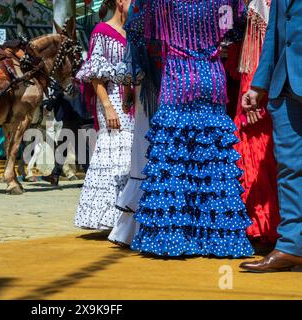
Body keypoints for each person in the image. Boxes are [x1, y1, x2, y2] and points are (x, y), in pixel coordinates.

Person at [124, 0, 254, 258]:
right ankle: (217, 238)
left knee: (175, 156)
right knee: (211, 160)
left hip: (178, 77)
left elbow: (136, 28)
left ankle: (172, 238)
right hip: (211, 76)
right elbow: (234, 30)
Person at [241, 0, 302, 272]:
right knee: (289, 169)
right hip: (284, 85)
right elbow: (275, 34)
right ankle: (291, 248)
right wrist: (259, 86)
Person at [74, 0, 134, 230]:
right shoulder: (102, 32)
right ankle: (108, 217)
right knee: (113, 157)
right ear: (120, 2)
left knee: (130, 157)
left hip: (135, 101)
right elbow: (94, 73)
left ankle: (126, 218)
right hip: (111, 98)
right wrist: (107, 106)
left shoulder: (135, 32)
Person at [233, 0, 280, 250]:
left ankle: (262, 224)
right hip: (271, 85)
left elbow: (253, 55)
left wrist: (252, 91)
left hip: (258, 84)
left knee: (258, 149)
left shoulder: (258, 6)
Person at [109, 35, 163, 246]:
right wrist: (129, 89)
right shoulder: (143, 6)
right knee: (145, 147)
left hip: (174, 80)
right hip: (150, 86)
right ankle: (140, 228)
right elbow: (134, 46)